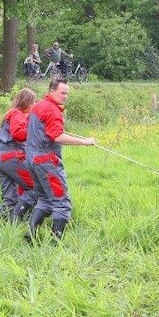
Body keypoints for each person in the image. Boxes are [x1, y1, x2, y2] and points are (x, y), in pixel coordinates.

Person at [25, 77, 94, 240]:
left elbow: (38, 127)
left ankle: (30, 236)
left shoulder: (38, 105)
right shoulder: (52, 110)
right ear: (52, 91)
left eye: (67, 93)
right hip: (46, 161)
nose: (65, 96)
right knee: (61, 201)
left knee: (44, 198)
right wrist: (85, 142)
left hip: (31, 159)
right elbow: (57, 137)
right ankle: (56, 242)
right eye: (62, 93)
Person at [0, 88, 38, 222]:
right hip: (12, 158)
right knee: (35, 186)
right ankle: (18, 217)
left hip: (0, 158)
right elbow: (18, 134)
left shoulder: (11, 114)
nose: (34, 105)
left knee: (9, 197)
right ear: (27, 102)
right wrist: (35, 132)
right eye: (33, 102)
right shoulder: (17, 114)